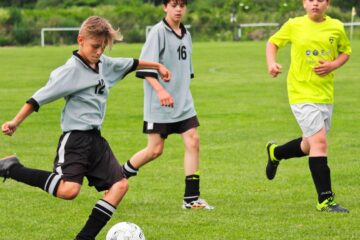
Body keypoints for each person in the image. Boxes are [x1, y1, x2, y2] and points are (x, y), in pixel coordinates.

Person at [0, 16, 171, 240]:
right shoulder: (69, 71)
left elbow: (131, 63)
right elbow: (38, 98)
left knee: (120, 185)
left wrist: (157, 65)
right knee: (69, 191)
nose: (99, 51)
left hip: (96, 140)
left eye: (102, 47)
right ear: (80, 40)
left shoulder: (104, 65)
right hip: (75, 139)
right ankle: (11, 168)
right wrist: (15, 121)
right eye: (94, 46)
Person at [121, 0, 213, 210]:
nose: (178, 9)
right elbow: (144, 68)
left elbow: (185, 72)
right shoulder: (157, 32)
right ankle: (118, 176)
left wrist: (182, 95)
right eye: (173, 4)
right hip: (159, 104)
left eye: (182, 5)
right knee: (154, 150)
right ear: (165, 7)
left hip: (183, 102)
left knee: (193, 140)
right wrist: (161, 90)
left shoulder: (187, 34)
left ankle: (191, 199)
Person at [265, 0, 351, 213]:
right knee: (320, 142)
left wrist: (333, 65)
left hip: (325, 95)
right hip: (300, 93)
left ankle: (276, 153)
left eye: (321, 0)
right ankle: (325, 199)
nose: (315, 3)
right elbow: (272, 43)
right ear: (304, 3)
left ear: (327, 4)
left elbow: (345, 52)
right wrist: (271, 63)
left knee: (309, 144)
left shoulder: (337, 27)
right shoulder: (294, 25)